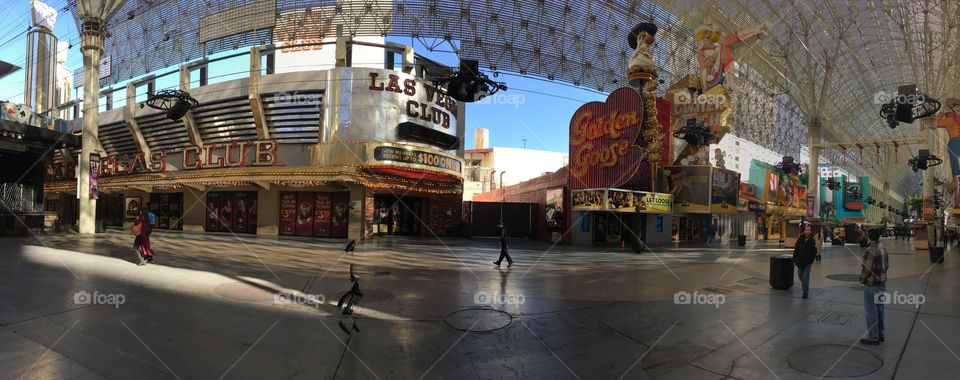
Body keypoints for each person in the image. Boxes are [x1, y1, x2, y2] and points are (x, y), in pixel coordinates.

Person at [860, 228, 889, 345]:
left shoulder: (870, 250)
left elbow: (866, 269)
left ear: (869, 237)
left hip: (871, 284)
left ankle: (873, 336)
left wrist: (862, 279)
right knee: (880, 308)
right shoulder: (883, 248)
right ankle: (880, 333)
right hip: (882, 283)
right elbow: (887, 265)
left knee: (870, 310)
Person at [793, 224, 818, 299]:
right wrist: (794, 259)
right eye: (807, 230)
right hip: (800, 261)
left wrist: (811, 260)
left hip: (808, 262)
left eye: (809, 230)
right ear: (805, 230)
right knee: (800, 275)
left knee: (805, 276)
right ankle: (805, 284)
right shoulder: (800, 238)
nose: (808, 231)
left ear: (810, 231)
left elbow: (814, 251)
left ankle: (805, 292)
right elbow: (796, 249)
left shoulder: (812, 240)